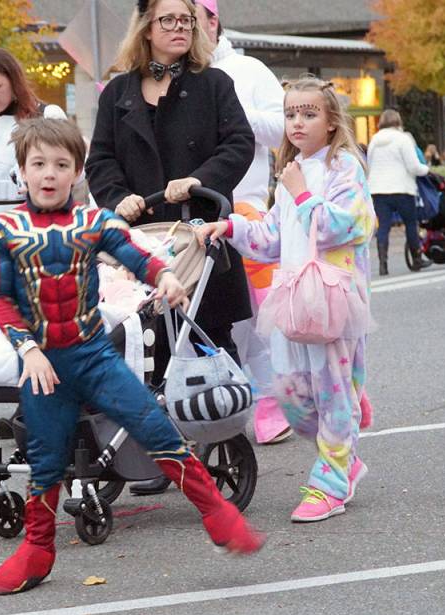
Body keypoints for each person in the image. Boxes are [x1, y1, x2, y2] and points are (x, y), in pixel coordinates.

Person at [0, 117, 263, 595]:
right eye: (38, 164)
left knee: (156, 428)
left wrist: (165, 276)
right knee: (47, 463)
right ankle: (36, 551)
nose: (49, 173)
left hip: (94, 355)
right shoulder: (2, 231)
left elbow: (133, 253)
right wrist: (27, 349)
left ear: (77, 174)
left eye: (61, 164)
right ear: (22, 172)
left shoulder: (95, 222)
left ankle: (217, 513)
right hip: (43, 366)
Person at [86, 0, 255, 495]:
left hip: (199, 230)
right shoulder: (118, 91)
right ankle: (151, 454)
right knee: (143, 343)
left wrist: (200, 180)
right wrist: (120, 199)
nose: (180, 28)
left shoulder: (214, 84)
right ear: (146, 27)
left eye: (187, 19)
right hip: (142, 236)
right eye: (169, 20)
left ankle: (219, 432)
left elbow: (239, 144)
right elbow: (100, 160)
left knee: (207, 335)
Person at [196, 75, 374, 523]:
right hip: (293, 300)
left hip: (332, 301)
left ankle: (332, 482)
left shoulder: (345, 168)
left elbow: (346, 226)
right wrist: (231, 227)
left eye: (309, 113)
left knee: (332, 395)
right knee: (294, 399)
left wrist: (302, 192)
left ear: (332, 122)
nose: (297, 122)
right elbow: (272, 237)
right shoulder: (292, 171)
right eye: (291, 113)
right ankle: (347, 423)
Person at [194, 0, 290, 445]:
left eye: (193, 20)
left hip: (244, 208)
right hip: (187, 214)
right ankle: (218, 399)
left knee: (256, 313)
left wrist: (234, 116)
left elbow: (282, 129)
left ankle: (271, 400)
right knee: (201, 317)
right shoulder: (171, 77)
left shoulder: (249, 70)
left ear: (214, 22)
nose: (186, 30)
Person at [0, 48, 68, 223]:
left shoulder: (48, 114)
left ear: (14, 81)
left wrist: (39, 180)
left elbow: (75, 173)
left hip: (41, 224)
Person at [367, 109, 431, 275]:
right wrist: (426, 169)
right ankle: (417, 259)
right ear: (398, 122)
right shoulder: (403, 139)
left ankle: (383, 264)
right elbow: (413, 166)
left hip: (378, 189)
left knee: (384, 226)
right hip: (402, 188)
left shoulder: (374, 140)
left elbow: (369, 166)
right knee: (410, 223)